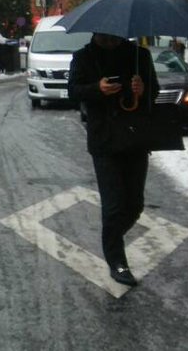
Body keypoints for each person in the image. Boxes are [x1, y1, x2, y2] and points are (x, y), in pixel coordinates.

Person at [68, 33, 159, 287]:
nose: (109, 40)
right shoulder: (84, 57)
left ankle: (111, 238)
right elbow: (73, 92)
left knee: (135, 204)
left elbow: (155, 91)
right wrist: (97, 89)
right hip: (104, 141)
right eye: (104, 36)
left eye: (113, 36)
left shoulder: (139, 56)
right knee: (114, 205)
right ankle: (117, 261)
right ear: (95, 33)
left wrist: (145, 89)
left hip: (135, 138)